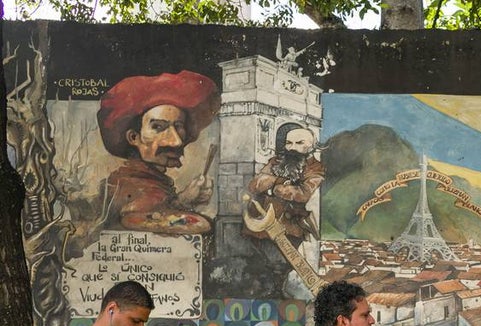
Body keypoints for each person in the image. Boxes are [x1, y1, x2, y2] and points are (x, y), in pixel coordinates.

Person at [98, 70, 220, 234]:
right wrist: (183, 202)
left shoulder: (153, 180)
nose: (176, 141)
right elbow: (137, 219)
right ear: (134, 137)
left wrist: (184, 200)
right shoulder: (129, 185)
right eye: (158, 127)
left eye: (178, 126)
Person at [243, 123, 323, 246]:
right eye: (288, 143)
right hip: (260, 228)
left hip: (289, 230)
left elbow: (303, 194)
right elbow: (254, 185)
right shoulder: (276, 161)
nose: (292, 147)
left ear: (312, 146)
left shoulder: (315, 168)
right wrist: (279, 182)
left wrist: (274, 187)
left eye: (299, 143)